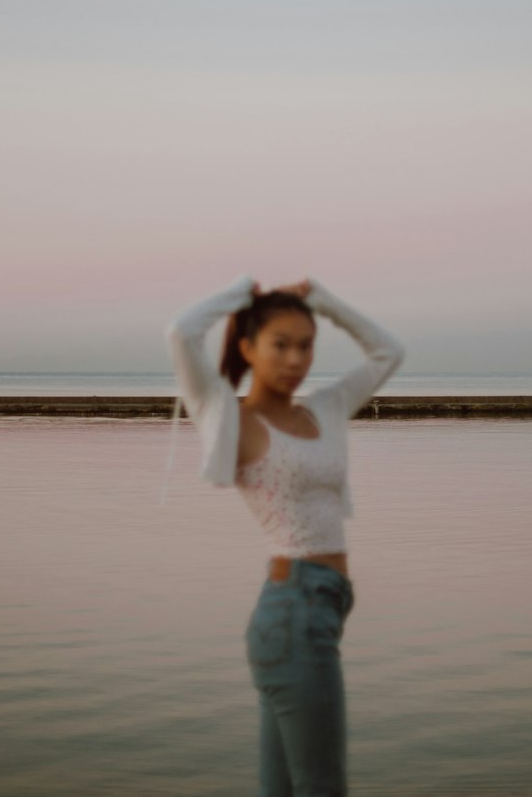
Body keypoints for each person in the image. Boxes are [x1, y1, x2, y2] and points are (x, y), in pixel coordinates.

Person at [162, 272, 405, 797]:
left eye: (306, 346)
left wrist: (321, 299)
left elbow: (388, 352)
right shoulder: (227, 414)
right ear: (248, 347)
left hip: (316, 610)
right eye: (280, 345)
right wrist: (244, 293)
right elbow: (182, 333)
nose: (296, 359)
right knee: (322, 788)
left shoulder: (325, 408)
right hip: (294, 613)